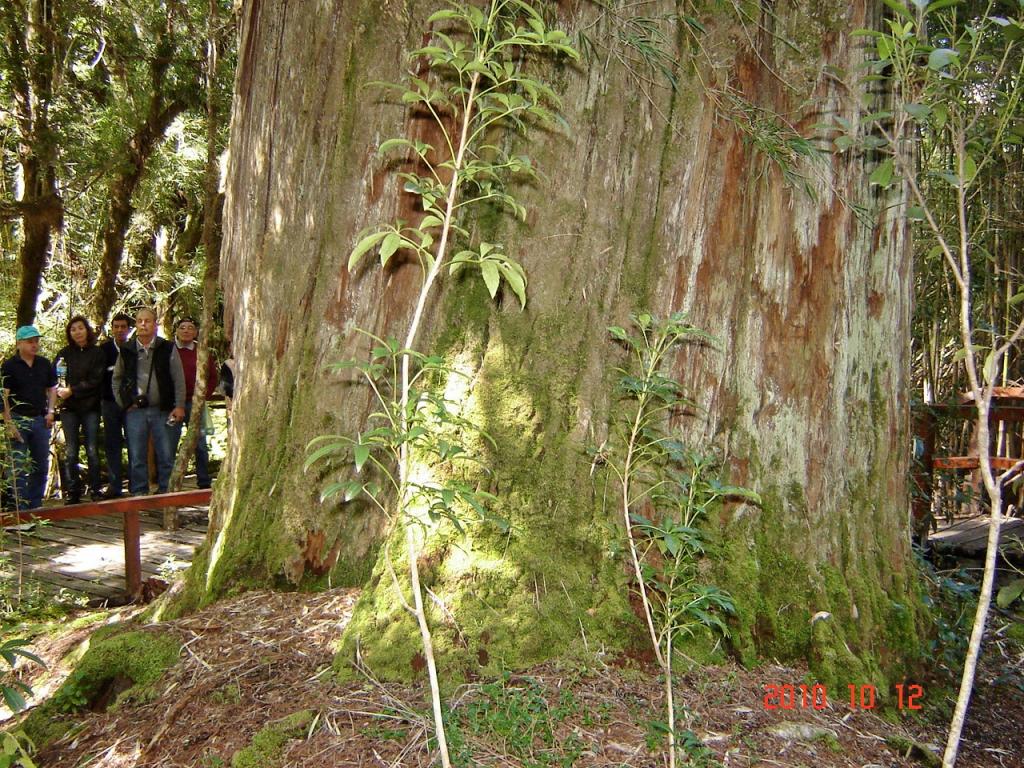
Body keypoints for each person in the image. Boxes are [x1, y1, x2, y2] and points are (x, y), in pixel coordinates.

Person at [112, 308, 186, 495]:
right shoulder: (127, 350)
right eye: (139, 321)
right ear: (135, 325)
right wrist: (124, 403)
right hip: (135, 411)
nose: (143, 324)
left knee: (166, 454)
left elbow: (178, 378)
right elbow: (117, 379)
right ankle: (139, 492)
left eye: (147, 321)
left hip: (163, 409)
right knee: (136, 454)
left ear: (155, 324)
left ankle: (166, 492)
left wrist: (179, 405)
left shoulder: (167, 347)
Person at [2, 326, 57, 510]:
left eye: (36, 341)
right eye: (30, 342)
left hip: (40, 418)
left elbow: (52, 388)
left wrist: (50, 411)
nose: (34, 345)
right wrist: (9, 423)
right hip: (18, 418)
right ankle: (19, 506)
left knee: (40, 463)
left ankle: (35, 503)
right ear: (19, 343)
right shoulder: (9, 366)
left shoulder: (44, 363)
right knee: (16, 465)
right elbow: (4, 396)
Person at [54, 316, 106, 503]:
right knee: (71, 451)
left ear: (87, 330)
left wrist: (73, 390)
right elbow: (56, 379)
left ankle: (96, 489)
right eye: (73, 329)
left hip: (90, 407)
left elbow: (96, 380)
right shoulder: (63, 354)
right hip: (69, 409)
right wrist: (61, 393)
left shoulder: (97, 353)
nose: (77, 332)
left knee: (92, 449)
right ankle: (73, 491)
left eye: (80, 328)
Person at [168, 317, 217, 488]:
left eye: (190, 328)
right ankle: (169, 482)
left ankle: (203, 480)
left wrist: (204, 396)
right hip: (174, 405)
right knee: (170, 442)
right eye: (182, 328)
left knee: (201, 444)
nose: (186, 331)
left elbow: (212, 376)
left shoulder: (201, 351)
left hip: (196, 404)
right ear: (177, 331)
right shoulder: (170, 350)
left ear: (196, 332)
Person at [100, 313, 132, 497]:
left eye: (123, 326)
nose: (120, 330)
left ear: (128, 329)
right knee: (112, 444)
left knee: (134, 443)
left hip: (130, 405)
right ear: (112, 328)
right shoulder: (104, 350)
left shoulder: (133, 349)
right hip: (109, 403)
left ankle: (136, 484)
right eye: (116, 326)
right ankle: (115, 485)